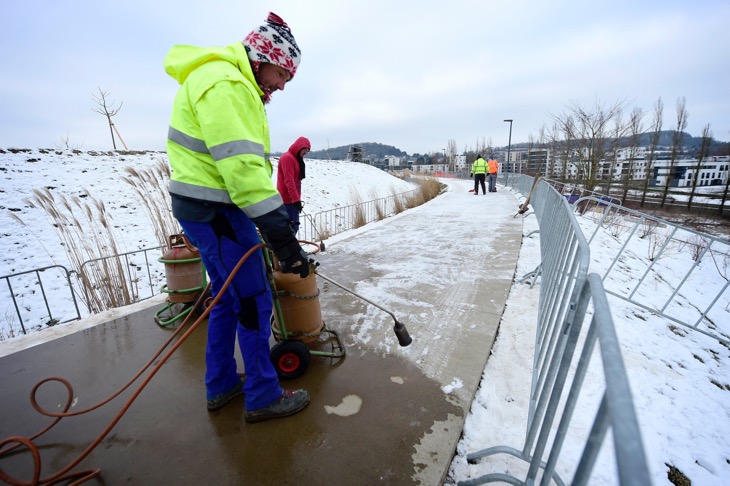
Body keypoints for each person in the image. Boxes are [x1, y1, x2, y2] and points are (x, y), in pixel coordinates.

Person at [164, 12, 312, 423]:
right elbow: (243, 170)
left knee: (229, 298)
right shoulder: (227, 84)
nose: (282, 85)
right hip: (218, 210)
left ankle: (222, 383)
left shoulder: (224, 79)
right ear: (262, 58)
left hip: (205, 208)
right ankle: (263, 396)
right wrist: (284, 238)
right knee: (253, 298)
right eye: (283, 73)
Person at [277, 136, 311, 234]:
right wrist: (296, 200)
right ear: (299, 146)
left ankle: (290, 248)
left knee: (294, 227)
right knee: (291, 228)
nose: (306, 152)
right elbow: (289, 181)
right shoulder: (288, 158)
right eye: (305, 149)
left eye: (308, 151)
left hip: (292, 200)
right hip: (288, 200)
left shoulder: (295, 159)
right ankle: (290, 249)